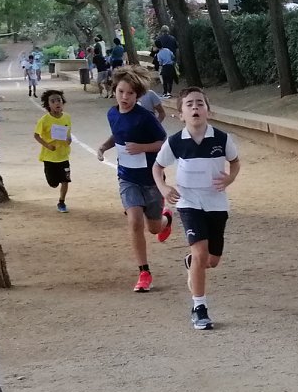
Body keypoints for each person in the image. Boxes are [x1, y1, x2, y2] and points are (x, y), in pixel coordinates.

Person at [153, 87, 240, 331]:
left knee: (211, 260)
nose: (195, 108)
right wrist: (163, 188)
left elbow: (235, 162)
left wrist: (229, 178)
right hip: (189, 202)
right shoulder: (175, 142)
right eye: (189, 104)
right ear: (181, 114)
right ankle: (199, 308)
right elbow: (157, 167)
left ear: (208, 111)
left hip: (216, 203)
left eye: (200, 103)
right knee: (201, 253)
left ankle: (192, 262)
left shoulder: (222, 139)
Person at [97, 69, 171, 295]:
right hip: (127, 178)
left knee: (154, 228)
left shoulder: (145, 117)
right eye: (121, 91)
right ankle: (144, 272)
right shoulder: (112, 113)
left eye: (130, 93)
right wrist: (103, 147)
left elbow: (163, 142)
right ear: (114, 90)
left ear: (137, 95)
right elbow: (117, 135)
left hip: (151, 179)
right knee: (135, 221)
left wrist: (142, 148)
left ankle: (166, 219)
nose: (125, 97)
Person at [33, 88, 72, 213]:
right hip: (49, 157)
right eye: (53, 101)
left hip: (63, 156)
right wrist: (48, 146)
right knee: (53, 183)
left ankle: (61, 202)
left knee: (65, 180)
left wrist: (69, 140)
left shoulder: (67, 117)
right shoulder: (44, 120)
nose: (57, 103)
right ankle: (54, 182)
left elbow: (68, 134)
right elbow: (36, 135)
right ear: (48, 105)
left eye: (59, 100)